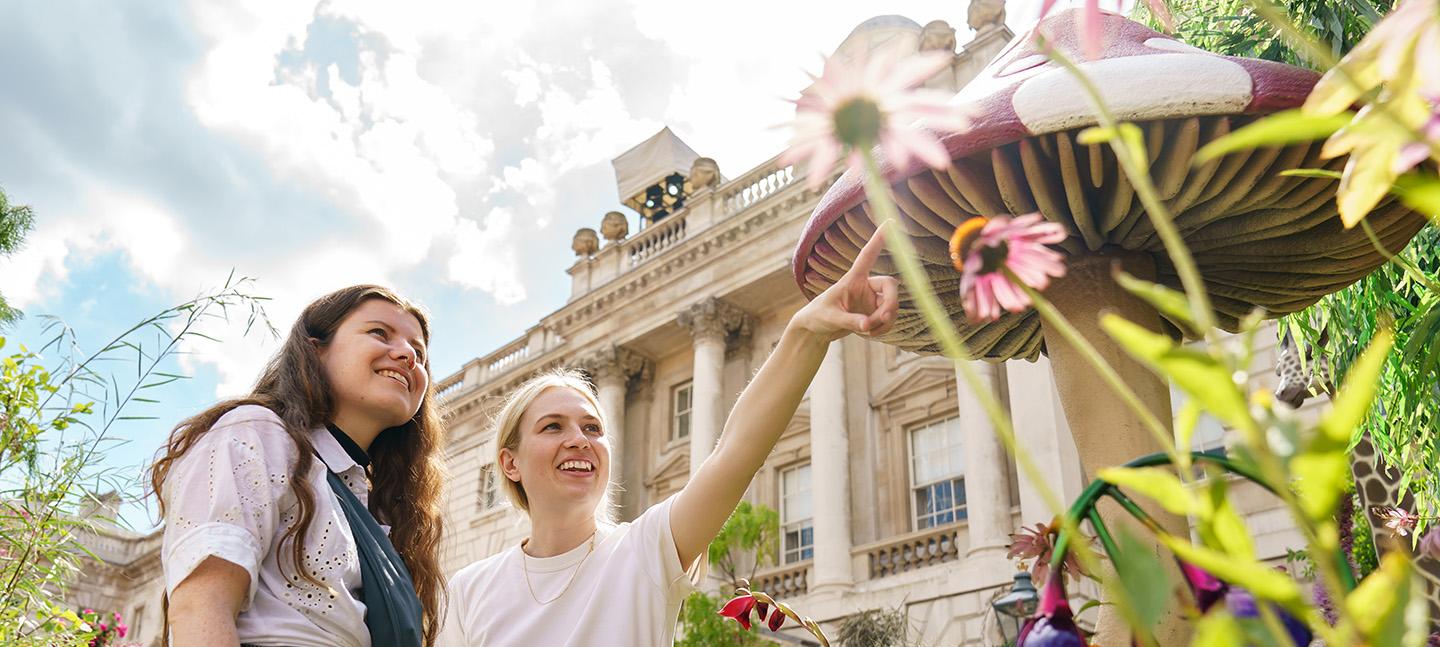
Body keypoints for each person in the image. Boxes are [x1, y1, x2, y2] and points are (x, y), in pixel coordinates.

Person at [439, 227, 898, 645]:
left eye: (593, 428)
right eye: (552, 426)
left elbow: (736, 450)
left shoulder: (643, 551)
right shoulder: (469, 589)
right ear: (510, 463)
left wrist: (806, 332)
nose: (579, 439)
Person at [150, 285, 448, 647]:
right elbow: (200, 607)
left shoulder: (379, 505)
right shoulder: (256, 433)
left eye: (419, 352)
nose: (406, 355)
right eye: (379, 333)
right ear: (315, 349)